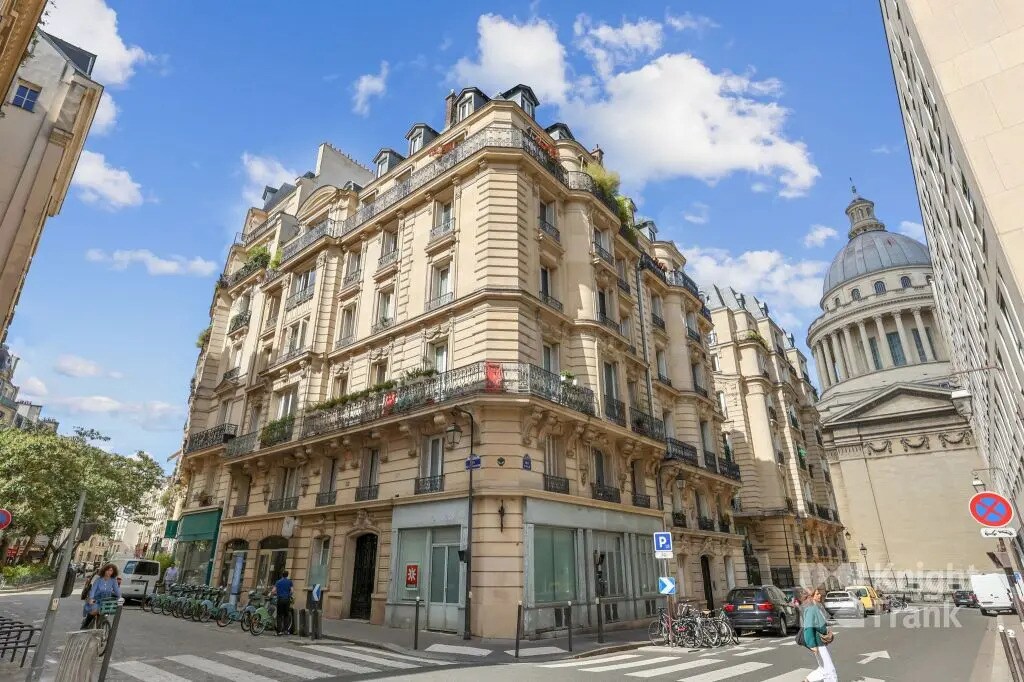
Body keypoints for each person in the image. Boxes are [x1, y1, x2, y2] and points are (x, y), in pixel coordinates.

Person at [800, 587, 837, 682]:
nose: (820, 595)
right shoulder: (811, 609)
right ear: (811, 597)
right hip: (817, 643)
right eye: (817, 594)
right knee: (830, 670)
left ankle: (807, 680)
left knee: (823, 668)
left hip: (821, 642)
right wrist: (812, 645)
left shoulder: (816, 607)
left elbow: (819, 622)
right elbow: (808, 628)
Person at [81, 563, 122, 629]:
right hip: (96, 600)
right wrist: (91, 598)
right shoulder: (98, 580)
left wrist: (120, 597)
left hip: (105, 600)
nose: (109, 572)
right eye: (108, 570)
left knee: (103, 615)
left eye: (111, 571)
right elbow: (93, 590)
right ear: (104, 570)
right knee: (95, 611)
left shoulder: (113, 580)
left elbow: (117, 590)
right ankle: (85, 625)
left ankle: (99, 629)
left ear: (113, 572)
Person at [271, 570, 294, 636]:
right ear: (287, 575)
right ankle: (286, 631)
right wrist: (288, 595)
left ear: (282, 575)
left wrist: (277, 593)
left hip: (280, 599)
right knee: (286, 615)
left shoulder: (278, 582)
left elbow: (273, 591)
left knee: (279, 615)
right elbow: (292, 591)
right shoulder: (290, 582)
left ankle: (279, 631)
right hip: (287, 600)